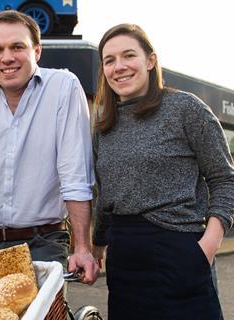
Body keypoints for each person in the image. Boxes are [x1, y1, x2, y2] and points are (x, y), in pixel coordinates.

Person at [0, 10, 99, 284]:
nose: (7, 58)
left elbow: (74, 173)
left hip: (43, 242)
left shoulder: (63, 87)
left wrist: (82, 248)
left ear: (36, 51)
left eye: (17, 47)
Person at [92, 23, 234, 319]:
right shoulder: (104, 127)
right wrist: (96, 246)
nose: (119, 67)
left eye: (128, 55)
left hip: (179, 252)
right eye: (109, 60)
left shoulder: (185, 108)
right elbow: (107, 194)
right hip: (124, 263)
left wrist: (208, 245)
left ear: (150, 60)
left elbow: (224, 179)